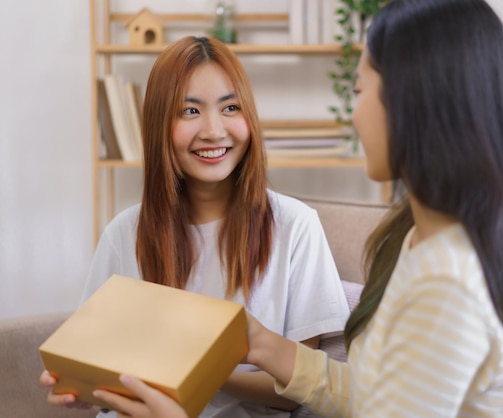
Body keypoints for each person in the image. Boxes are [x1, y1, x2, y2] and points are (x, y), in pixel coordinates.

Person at [75, 0, 503, 416]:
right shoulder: (422, 243)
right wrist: (251, 343)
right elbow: (366, 395)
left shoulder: (445, 279)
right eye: (190, 110)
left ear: (415, 103)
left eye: (357, 91)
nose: (351, 112)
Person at [39, 35, 350, 418]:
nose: (214, 130)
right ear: (158, 123)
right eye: (190, 111)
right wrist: (89, 386)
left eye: (230, 107)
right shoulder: (124, 233)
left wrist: (193, 374)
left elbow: (294, 390)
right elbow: (95, 362)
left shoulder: (294, 226)